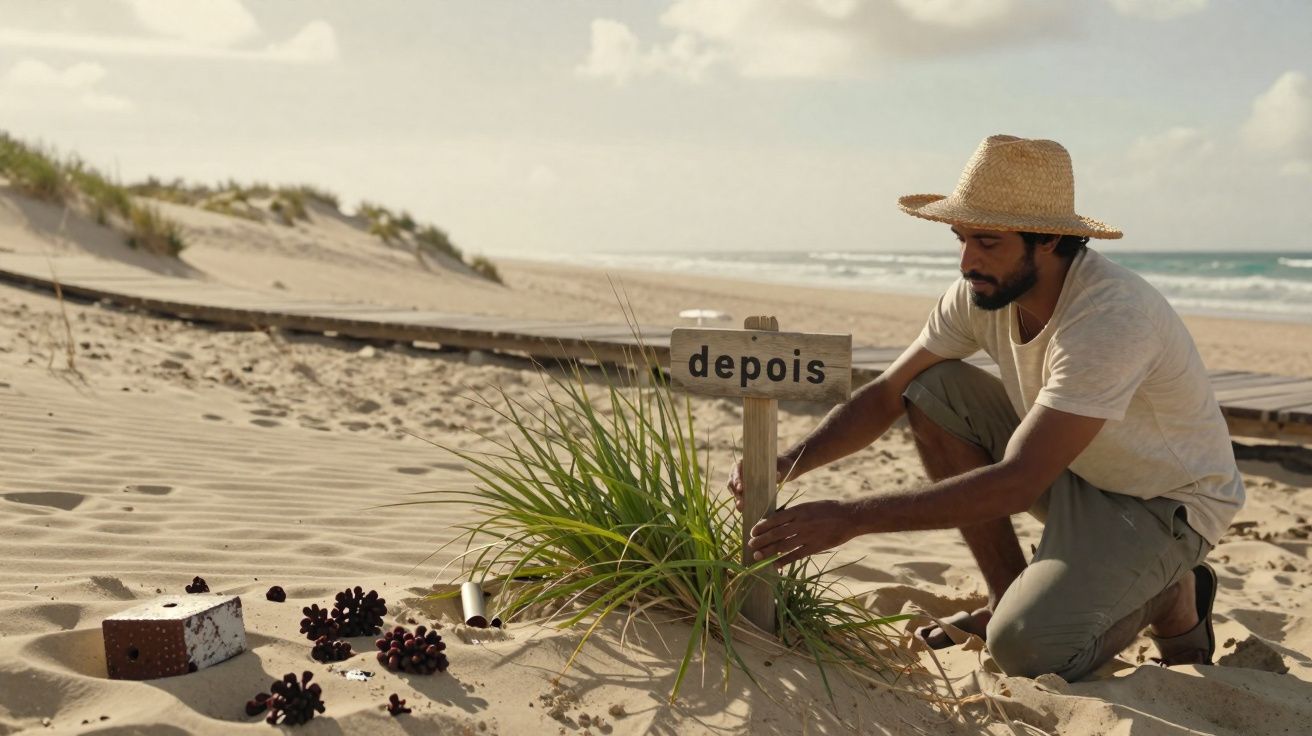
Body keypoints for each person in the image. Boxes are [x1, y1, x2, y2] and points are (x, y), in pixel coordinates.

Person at [729, 134, 1244, 681]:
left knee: (1028, 653)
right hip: (1073, 468)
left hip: (1162, 506)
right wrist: (788, 463)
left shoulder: (1110, 317)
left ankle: (1171, 591)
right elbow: (887, 392)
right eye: (961, 238)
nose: (967, 260)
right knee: (933, 386)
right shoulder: (981, 293)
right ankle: (1005, 592)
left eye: (988, 241)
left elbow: (1019, 480)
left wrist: (850, 519)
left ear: (1046, 239)